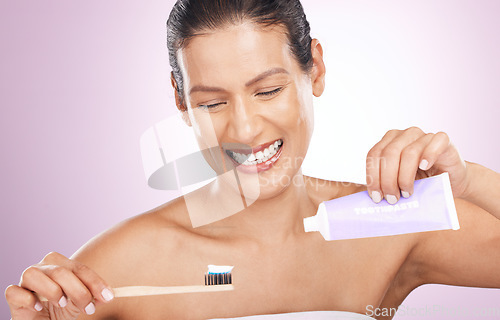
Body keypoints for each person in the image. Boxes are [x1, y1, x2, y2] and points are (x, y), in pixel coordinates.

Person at [5, 0, 500, 319]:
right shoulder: (118, 268)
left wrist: (471, 183)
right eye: (212, 103)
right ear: (181, 102)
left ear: (316, 69)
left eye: (268, 90)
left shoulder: (390, 225)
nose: (244, 129)